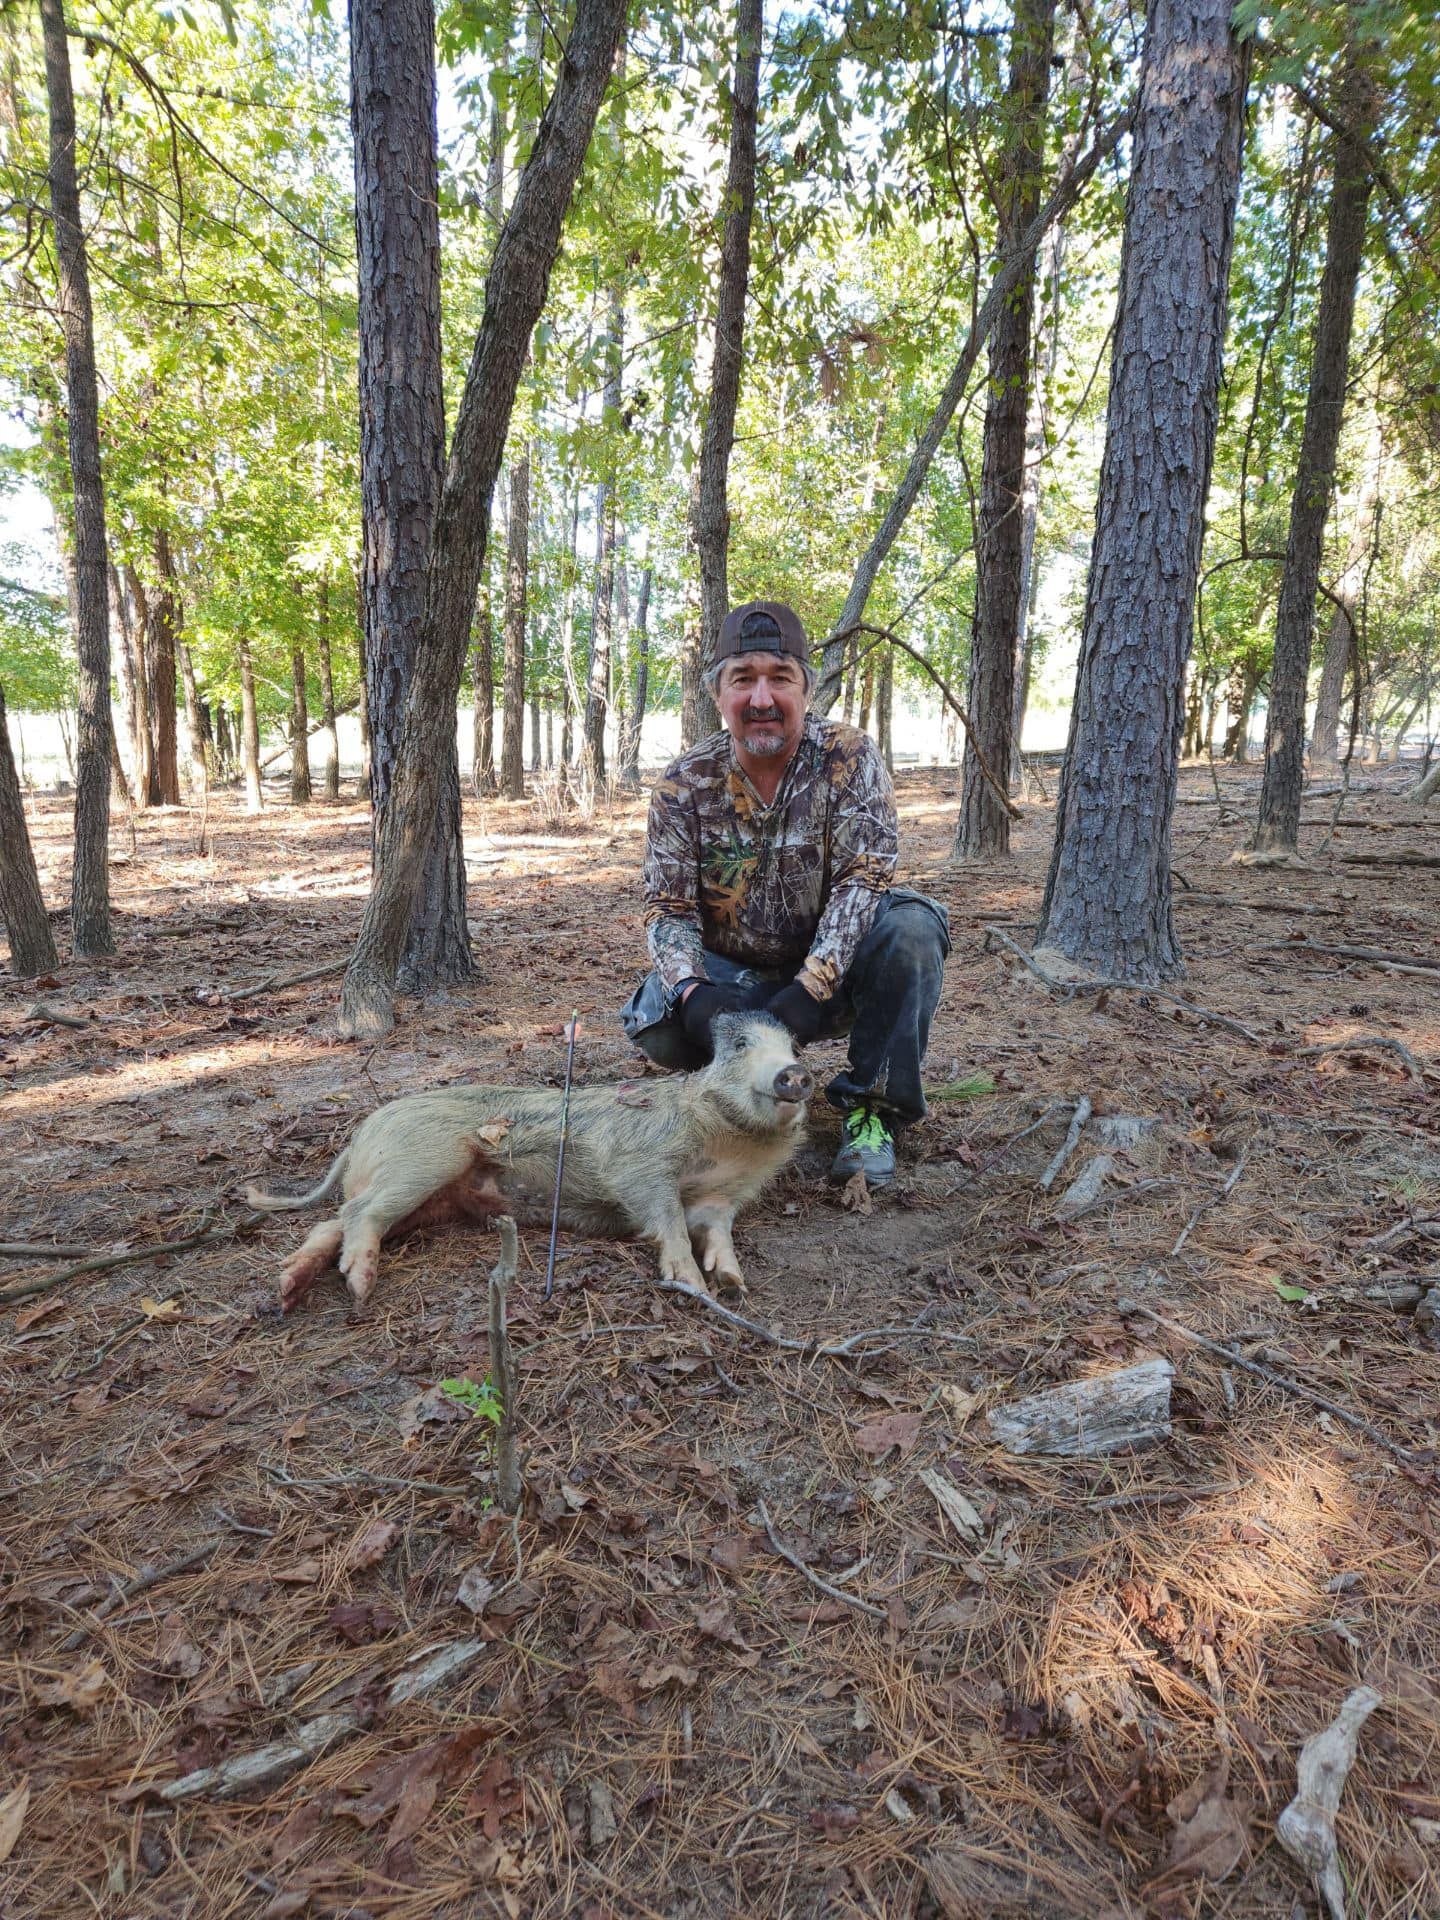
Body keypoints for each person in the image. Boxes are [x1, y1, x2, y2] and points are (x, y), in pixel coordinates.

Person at [621, 599, 950, 1186]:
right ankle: (737, 1088)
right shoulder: (683, 783)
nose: (762, 699)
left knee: (912, 932)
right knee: (659, 1027)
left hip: (833, 977)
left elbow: (864, 879)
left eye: (780, 678)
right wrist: (694, 992)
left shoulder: (849, 757)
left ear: (806, 688)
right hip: (737, 976)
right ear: (718, 694)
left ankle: (872, 1109)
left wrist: (812, 984)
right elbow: (668, 908)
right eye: (742, 679)